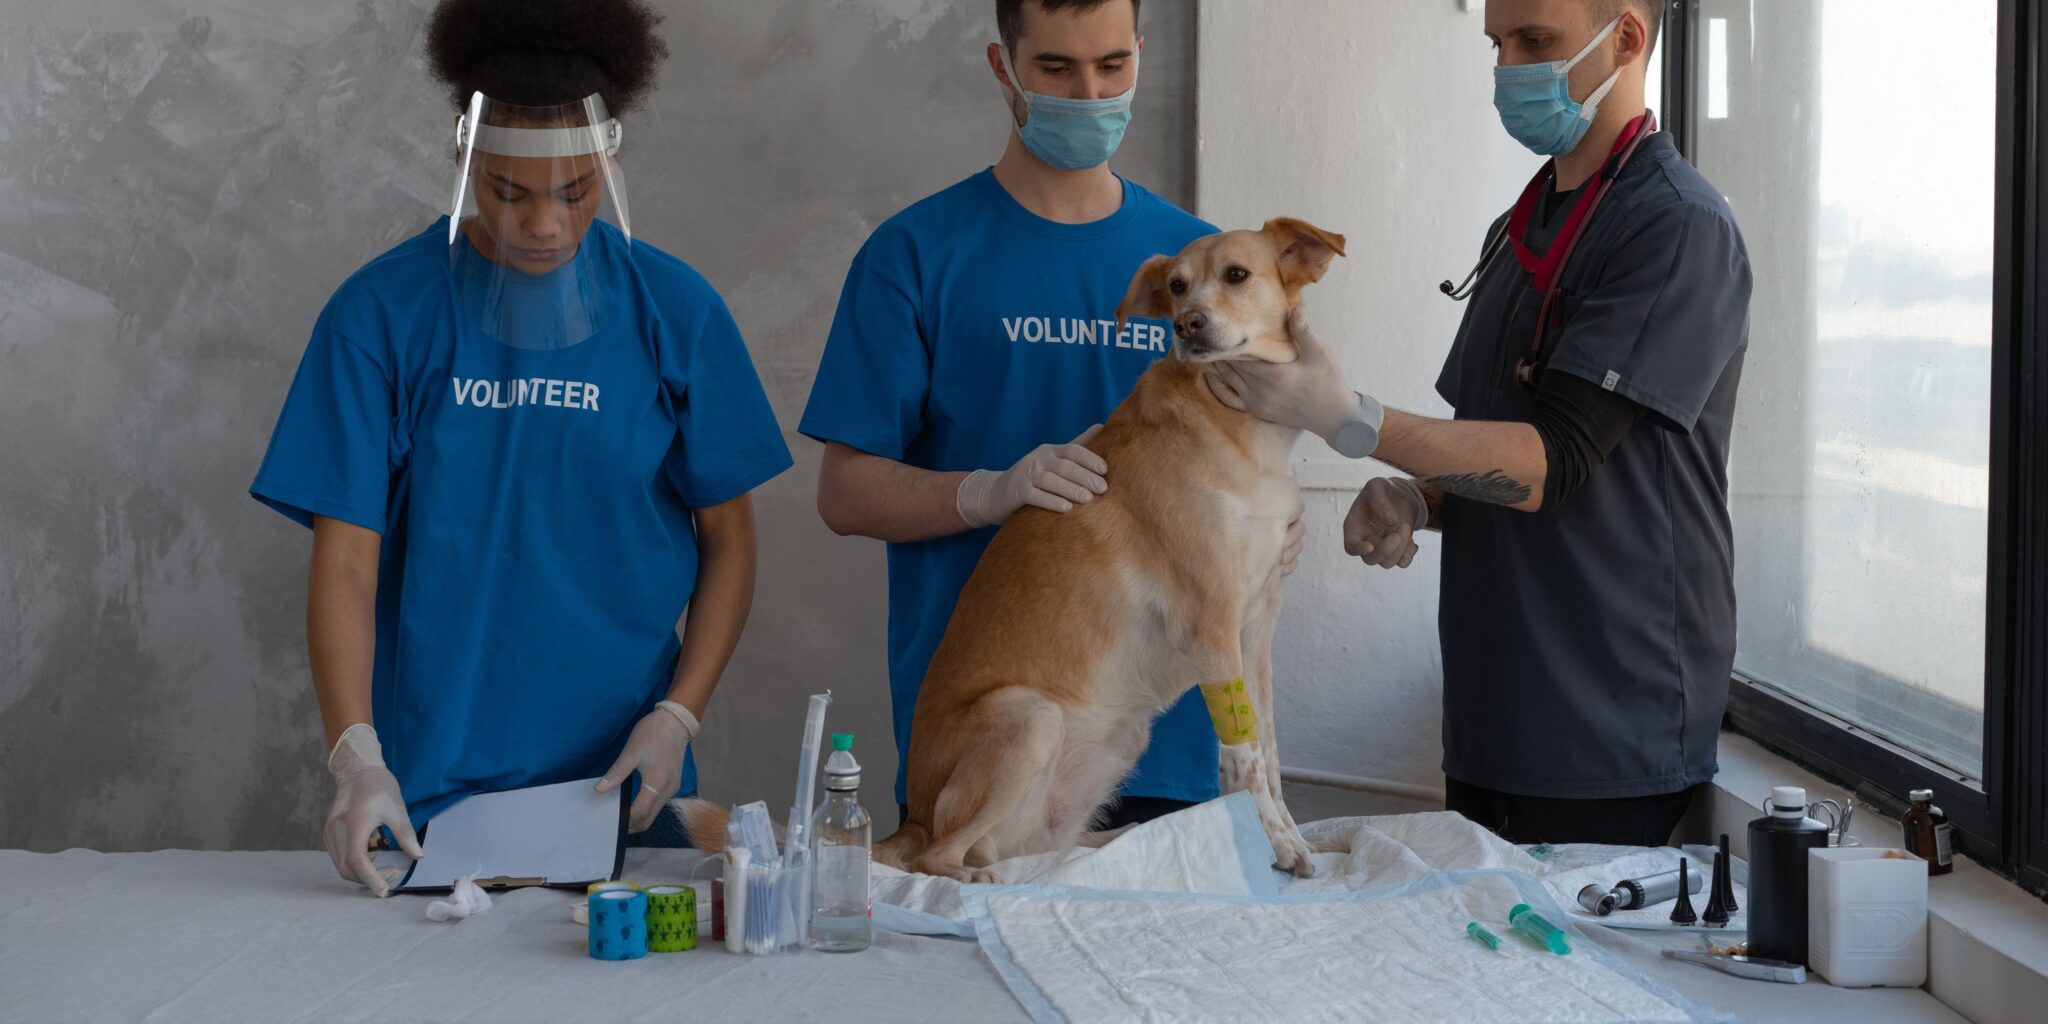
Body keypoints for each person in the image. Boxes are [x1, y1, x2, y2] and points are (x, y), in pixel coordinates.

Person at [250, 0, 791, 895]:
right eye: (511, 192)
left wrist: (679, 717)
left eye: (575, 192)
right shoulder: (379, 317)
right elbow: (345, 560)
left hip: (623, 796)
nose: (544, 223)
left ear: (608, 165)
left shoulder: (676, 313)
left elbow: (729, 539)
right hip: (432, 809)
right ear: (465, 157)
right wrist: (356, 757)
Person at [1208, 0, 1751, 847]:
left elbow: (1553, 459)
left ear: (1629, 37)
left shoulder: (1677, 227)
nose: (1508, 72)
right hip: (1493, 718)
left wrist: (1347, 419)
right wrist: (1421, 502)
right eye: (1498, 45)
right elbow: (1491, 439)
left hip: (1605, 725)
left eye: (1536, 42)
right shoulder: (1522, 226)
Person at [801, 0, 1305, 829]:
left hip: (1174, 756)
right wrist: (986, 492)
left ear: (1140, 57)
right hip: (1000, 757)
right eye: (1056, 70)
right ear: (1004, 67)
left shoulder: (1207, 270)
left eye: (1112, 66)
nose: (1089, 92)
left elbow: (1260, 440)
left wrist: (1271, 518)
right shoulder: (915, 255)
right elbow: (844, 494)